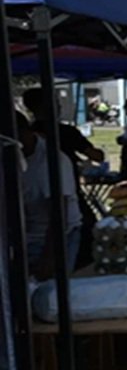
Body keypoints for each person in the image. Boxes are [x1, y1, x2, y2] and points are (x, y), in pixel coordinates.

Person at [23, 87, 104, 268]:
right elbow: (97, 156)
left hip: (35, 204)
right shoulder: (66, 132)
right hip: (66, 194)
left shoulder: (31, 131)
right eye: (56, 103)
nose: (59, 107)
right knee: (82, 230)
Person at [15, 112, 82, 279]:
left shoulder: (51, 161)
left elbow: (59, 214)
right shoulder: (14, 157)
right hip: (25, 235)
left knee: (50, 293)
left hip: (56, 237)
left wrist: (49, 259)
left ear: (24, 133)